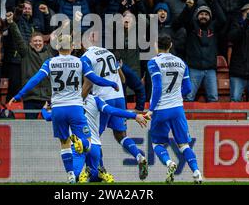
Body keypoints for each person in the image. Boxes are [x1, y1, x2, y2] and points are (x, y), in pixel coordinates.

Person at [9, 34, 119, 183]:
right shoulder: (80, 62)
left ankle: (71, 175)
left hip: (58, 109)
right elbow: (94, 79)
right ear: (73, 47)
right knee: (87, 141)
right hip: (75, 107)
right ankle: (79, 142)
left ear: (57, 47)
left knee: (64, 144)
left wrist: (19, 95)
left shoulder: (50, 62)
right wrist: (111, 84)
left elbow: (35, 79)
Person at [81, 32, 149, 180]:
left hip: (103, 99)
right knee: (120, 136)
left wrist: (80, 102)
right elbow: (123, 78)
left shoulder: (86, 58)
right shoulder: (109, 54)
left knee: (92, 138)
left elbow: (88, 83)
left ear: (83, 44)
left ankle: (99, 170)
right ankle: (138, 156)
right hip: (119, 98)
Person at [42, 95, 147, 183]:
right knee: (95, 178)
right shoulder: (96, 100)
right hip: (94, 145)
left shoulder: (66, 103)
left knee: (74, 176)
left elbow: (47, 117)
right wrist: (134, 116)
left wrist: (44, 109)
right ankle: (96, 171)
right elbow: (111, 110)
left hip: (76, 146)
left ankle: (84, 172)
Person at [145, 34, 202, 184]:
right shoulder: (181, 63)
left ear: (157, 46)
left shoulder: (153, 62)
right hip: (177, 108)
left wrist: (151, 109)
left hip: (160, 109)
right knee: (184, 144)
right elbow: (188, 88)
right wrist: (176, 95)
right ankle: (196, 172)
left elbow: (157, 87)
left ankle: (169, 163)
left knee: (157, 143)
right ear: (170, 45)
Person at [172, 0, 226, 102]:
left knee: (213, 99)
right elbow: (182, 20)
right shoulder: (191, 26)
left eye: (206, 14)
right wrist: (191, 4)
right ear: (197, 16)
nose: (204, 16)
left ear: (210, 17)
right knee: (188, 97)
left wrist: (215, 1)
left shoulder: (214, 27)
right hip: (194, 69)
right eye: (201, 14)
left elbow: (223, 20)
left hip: (210, 70)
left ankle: (213, 120)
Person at [7, 13, 55, 119]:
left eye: (39, 41)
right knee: (30, 126)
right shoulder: (25, 52)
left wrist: (74, 22)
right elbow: (18, 38)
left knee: (49, 127)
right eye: (35, 41)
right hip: (30, 97)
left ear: (44, 42)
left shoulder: (50, 52)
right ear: (30, 43)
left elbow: (64, 37)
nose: (37, 43)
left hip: (47, 97)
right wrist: (11, 23)